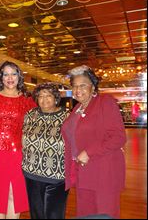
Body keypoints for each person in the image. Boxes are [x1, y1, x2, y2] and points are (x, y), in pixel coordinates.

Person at [61, 65, 126, 219]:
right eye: (75, 86)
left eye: (83, 85)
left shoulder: (105, 102)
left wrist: (88, 152)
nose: (78, 90)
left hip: (103, 173)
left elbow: (118, 137)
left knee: (104, 215)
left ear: (93, 86)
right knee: (85, 215)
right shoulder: (77, 108)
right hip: (82, 173)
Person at [0, 61, 37, 219]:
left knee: (14, 195)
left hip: (17, 154)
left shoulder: (27, 100)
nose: (10, 78)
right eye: (5, 74)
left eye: (13, 74)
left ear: (19, 77)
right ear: (1, 77)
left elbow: (35, 125)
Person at [22, 83, 70, 219]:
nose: (44, 99)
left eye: (48, 96)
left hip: (57, 176)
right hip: (31, 173)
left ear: (55, 98)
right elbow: (23, 138)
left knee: (54, 215)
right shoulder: (31, 114)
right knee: (36, 214)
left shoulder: (67, 117)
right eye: (40, 96)